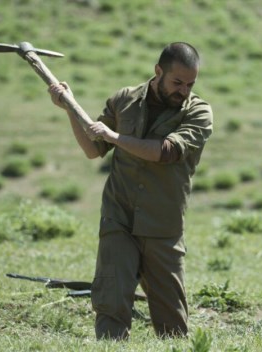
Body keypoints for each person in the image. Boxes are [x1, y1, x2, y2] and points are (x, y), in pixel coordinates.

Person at [48, 42, 213, 340]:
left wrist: (115, 136)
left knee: (172, 323)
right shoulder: (124, 100)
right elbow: (93, 147)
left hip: (162, 226)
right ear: (158, 71)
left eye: (190, 84)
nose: (183, 90)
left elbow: (166, 152)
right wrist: (69, 108)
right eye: (177, 82)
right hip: (118, 217)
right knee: (110, 301)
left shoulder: (199, 112)